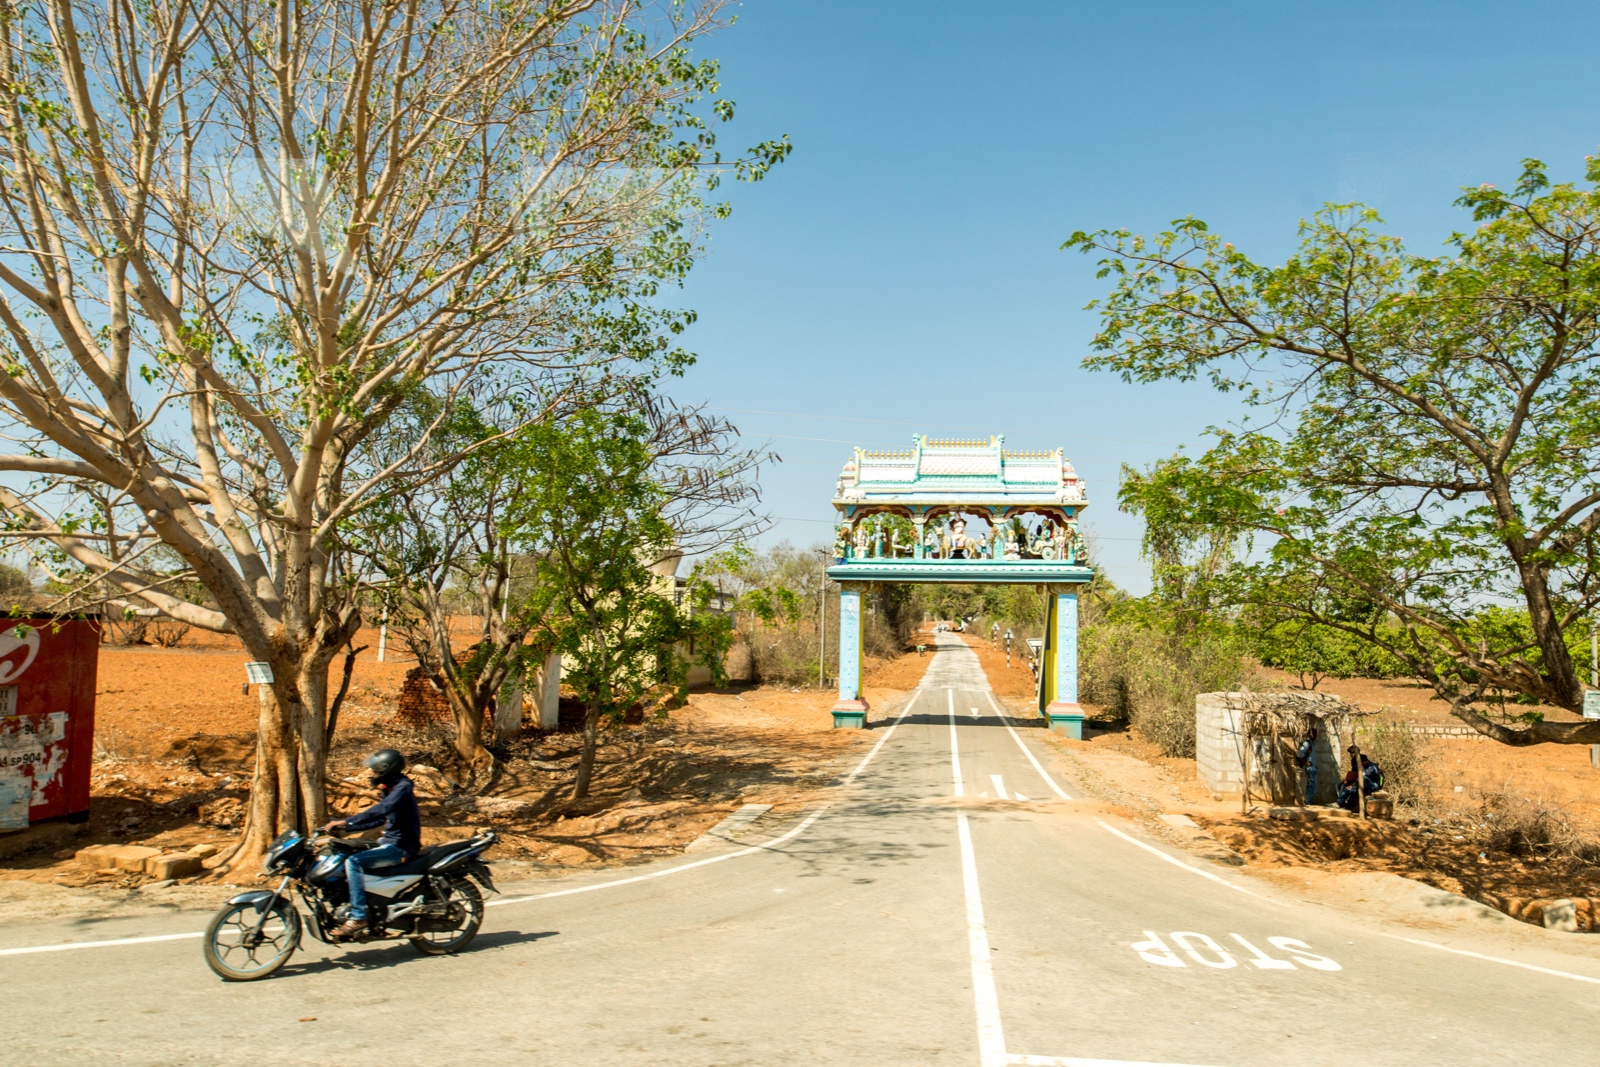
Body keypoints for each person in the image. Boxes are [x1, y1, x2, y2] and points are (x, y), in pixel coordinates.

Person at [324, 748, 421, 938]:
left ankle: (359, 917)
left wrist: (347, 821)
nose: (373, 774)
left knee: (354, 862)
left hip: (401, 847)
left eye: (376, 771)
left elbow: (383, 809)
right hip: (388, 841)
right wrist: (345, 829)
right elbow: (379, 819)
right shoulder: (389, 787)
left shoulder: (402, 788)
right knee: (344, 854)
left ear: (388, 770)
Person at [1295, 726, 1318, 805]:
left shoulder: (1312, 743)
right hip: (1310, 768)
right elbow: (1300, 754)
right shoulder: (1307, 743)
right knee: (1312, 784)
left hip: (1312, 767)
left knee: (1311, 784)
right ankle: (1308, 801)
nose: (1316, 737)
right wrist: (1305, 763)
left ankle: (1309, 800)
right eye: (1315, 735)